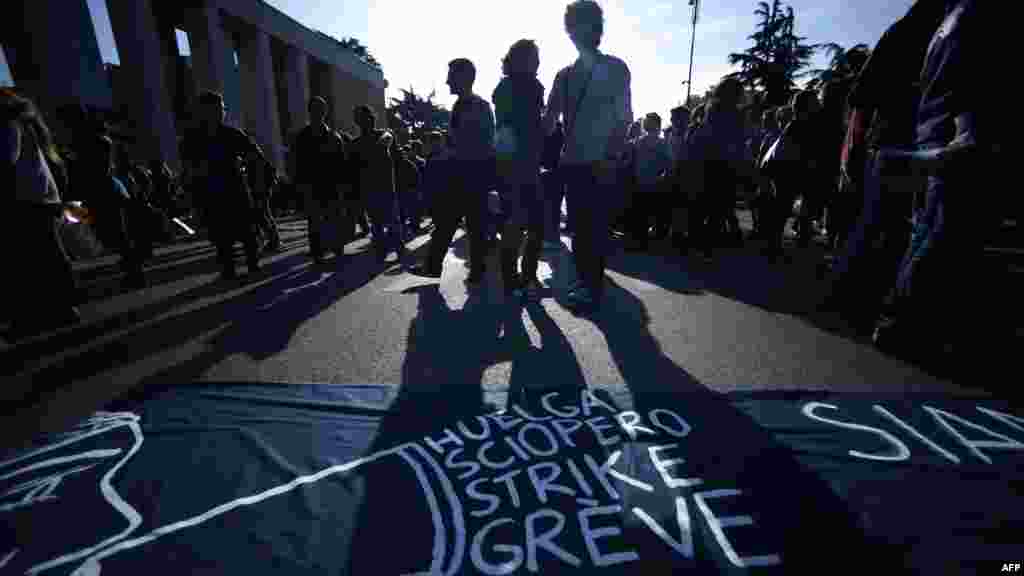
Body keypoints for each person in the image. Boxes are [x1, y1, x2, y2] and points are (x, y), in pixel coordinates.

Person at [873, 0, 1001, 368]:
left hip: (935, 136)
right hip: (955, 139)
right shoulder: (976, 15)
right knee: (943, 236)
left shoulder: (946, 24)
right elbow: (972, 79)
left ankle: (898, 323)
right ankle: (908, 328)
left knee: (926, 234)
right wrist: (966, 129)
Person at [542, 0, 633, 311]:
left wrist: (612, 154)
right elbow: (624, 118)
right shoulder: (602, 70)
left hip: (590, 161)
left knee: (588, 226)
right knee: (586, 226)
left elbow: (548, 122)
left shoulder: (570, 75)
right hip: (586, 161)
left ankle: (588, 284)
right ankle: (588, 282)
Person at [2, 89, 81, 335]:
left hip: (26, 200)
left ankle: (39, 314)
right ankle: (61, 309)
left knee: (27, 260)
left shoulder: (9, 125)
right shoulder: (27, 125)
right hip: (42, 198)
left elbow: (6, 160)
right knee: (45, 256)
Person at [410, 58, 495, 283]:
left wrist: (453, 153)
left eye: (451, 76)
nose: (447, 81)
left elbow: (483, 143)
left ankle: (456, 268)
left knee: (463, 224)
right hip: (463, 174)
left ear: (464, 77)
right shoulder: (462, 105)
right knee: (460, 224)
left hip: (471, 175)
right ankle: (468, 270)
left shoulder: (478, 106)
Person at [180, 90, 265, 280]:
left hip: (236, 190)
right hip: (211, 193)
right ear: (203, 111)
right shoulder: (192, 139)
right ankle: (229, 268)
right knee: (220, 234)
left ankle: (253, 264)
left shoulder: (232, 134)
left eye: (221, 109)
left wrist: (255, 181)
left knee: (247, 231)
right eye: (215, 109)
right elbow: (187, 168)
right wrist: (192, 190)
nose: (220, 113)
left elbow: (255, 156)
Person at [493, 39, 547, 303]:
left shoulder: (536, 87)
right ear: (517, 60)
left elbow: (537, 125)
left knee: (538, 225)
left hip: (531, 165)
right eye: (533, 57)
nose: (537, 62)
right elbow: (504, 130)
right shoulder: (506, 88)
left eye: (537, 57)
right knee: (514, 227)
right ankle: (511, 281)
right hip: (512, 166)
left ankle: (528, 276)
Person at [688, 77, 750, 262]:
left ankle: (699, 245)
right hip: (725, 165)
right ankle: (708, 248)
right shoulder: (734, 113)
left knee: (706, 207)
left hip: (707, 163)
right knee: (719, 209)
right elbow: (737, 142)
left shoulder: (710, 109)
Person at [294, 96, 347, 266]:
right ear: (309, 112)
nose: (317, 113)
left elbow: (341, 164)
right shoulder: (302, 137)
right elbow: (296, 163)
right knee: (315, 223)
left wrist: (342, 186)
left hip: (331, 186)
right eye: (314, 109)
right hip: (311, 187)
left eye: (320, 109)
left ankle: (337, 250)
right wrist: (300, 186)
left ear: (325, 112)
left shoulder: (334, 137)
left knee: (334, 220)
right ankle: (318, 254)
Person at [351, 104, 404, 264]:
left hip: (385, 188)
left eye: (368, 118)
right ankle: (386, 250)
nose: (367, 122)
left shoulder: (385, 135)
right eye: (362, 119)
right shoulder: (357, 144)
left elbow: (398, 159)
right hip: (374, 190)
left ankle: (393, 250)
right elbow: (354, 170)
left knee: (388, 223)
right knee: (380, 224)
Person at [625, 112, 672, 251]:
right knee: (649, 213)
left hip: (641, 183)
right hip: (654, 183)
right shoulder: (662, 143)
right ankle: (646, 240)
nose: (644, 123)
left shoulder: (638, 142)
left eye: (647, 121)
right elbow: (668, 164)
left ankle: (639, 240)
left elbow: (628, 160)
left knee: (640, 213)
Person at [541, 120, 565, 245]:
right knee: (555, 206)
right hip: (559, 173)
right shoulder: (562, 134)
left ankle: (548, 235)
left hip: (547, 172)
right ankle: (554, 234)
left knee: (547, 205)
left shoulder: (546, 133)